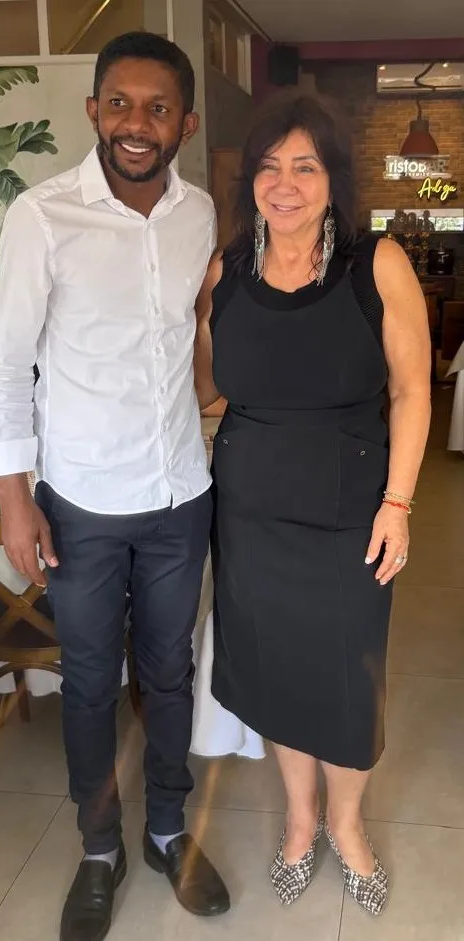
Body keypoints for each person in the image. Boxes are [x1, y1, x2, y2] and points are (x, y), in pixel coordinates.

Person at [0, 32, 229, 941]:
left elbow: (194, 341)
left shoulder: (199, 214)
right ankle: (98, 847)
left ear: (184, 123)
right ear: (93, 110)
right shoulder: (43, 216)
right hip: (79, 501)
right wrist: (15, 496)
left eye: (158, 108)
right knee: (87, 682)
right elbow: (6, 367)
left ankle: (165, 830)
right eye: (119, 103)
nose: (136, 123)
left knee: (169, 673)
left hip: (179, 494)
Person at [194, 91, 431, 916]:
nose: (284, 183)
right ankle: (300, 820)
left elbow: (410, 391)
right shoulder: (226, 272)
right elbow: (208, 388)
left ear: (333, 179)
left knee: (345, 680)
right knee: (275, 674)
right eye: (268, 167)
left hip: (349, 515)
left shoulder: (375, 264)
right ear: (249, 181)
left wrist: (397, 502)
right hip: (249, 514)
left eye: (305, 165)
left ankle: (346, 823)